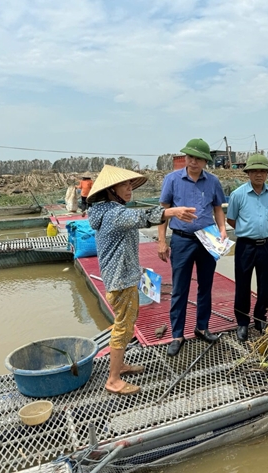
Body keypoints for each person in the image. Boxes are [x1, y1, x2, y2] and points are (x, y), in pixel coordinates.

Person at [88, 165, 197, 395]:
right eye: (124, 185)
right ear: (111, 190)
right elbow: (142, 217)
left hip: (123, 277)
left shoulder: (109, 210)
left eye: (130, 185)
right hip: (120, 281)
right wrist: (172, 212)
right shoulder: (114, 214)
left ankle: (120, 365)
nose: (129, 189)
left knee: (126, 324)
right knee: (122, 327)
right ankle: (113, 379)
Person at [158, 138, 227, 356]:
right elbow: (163, 213)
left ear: (206, 161)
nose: (193, 161)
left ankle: (202, 327)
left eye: (198, 158)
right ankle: (177, 334)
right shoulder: (172, 179)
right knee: (180, 288)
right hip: (182, 239)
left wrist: (222, 229)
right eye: (190, 157)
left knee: (205, 285)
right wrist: (162, 240)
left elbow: (217, 208)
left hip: (207, 238)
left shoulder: (213, 182)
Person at [226, 154, 268, 342]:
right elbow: (231, 219)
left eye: (263, 171)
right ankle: (242, 322)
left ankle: (260, 319)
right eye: (254, 171)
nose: (259, 174)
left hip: (266, 245)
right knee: (242, 285)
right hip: (245, 246)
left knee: (265, 285)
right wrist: (248, 230)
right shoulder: (238, 194)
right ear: (248, 173)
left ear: (267, 174)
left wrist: (261, 230)